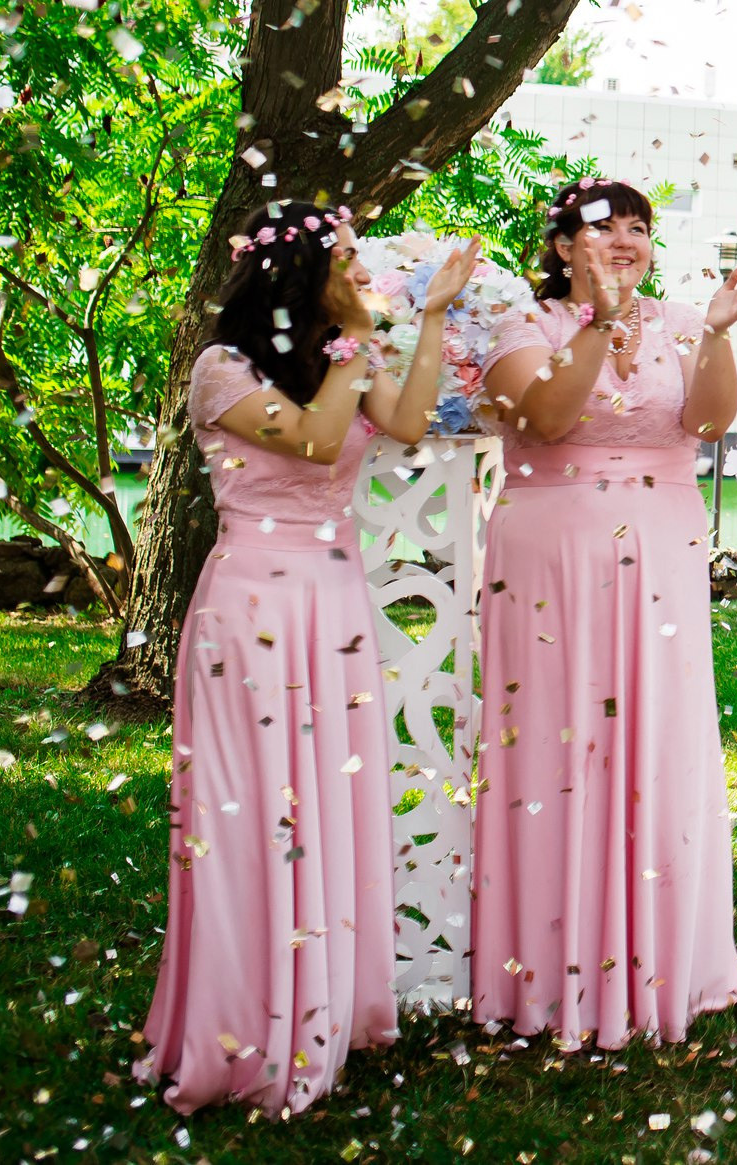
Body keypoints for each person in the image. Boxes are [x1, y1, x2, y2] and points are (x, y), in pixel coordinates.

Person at [138, 205, 477, 1114]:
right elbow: (319, 442)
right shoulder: (223, 369)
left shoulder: (335, 357)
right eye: (347, 261)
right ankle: (243, 1021)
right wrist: (359, 340)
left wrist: (434, 318)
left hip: (333, 600)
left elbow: (406, 424)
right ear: (300, 274)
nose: (360, 274)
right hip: (253, 601)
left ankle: (323, 1004)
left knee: (324, 797)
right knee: (251, 807)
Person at [470, 178, 737, 1048]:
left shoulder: (676, 321)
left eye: (639, 227)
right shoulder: (525, 325)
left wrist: (712, 333)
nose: (626, 240)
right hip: (551, 556)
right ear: (563, 246)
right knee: (560, 741)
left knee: (659, 738)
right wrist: (600, 321)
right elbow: (550, 419)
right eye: (605, 227)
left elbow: (710, 420)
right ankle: (551, 967)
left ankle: (670, 957)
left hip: (663, 553)